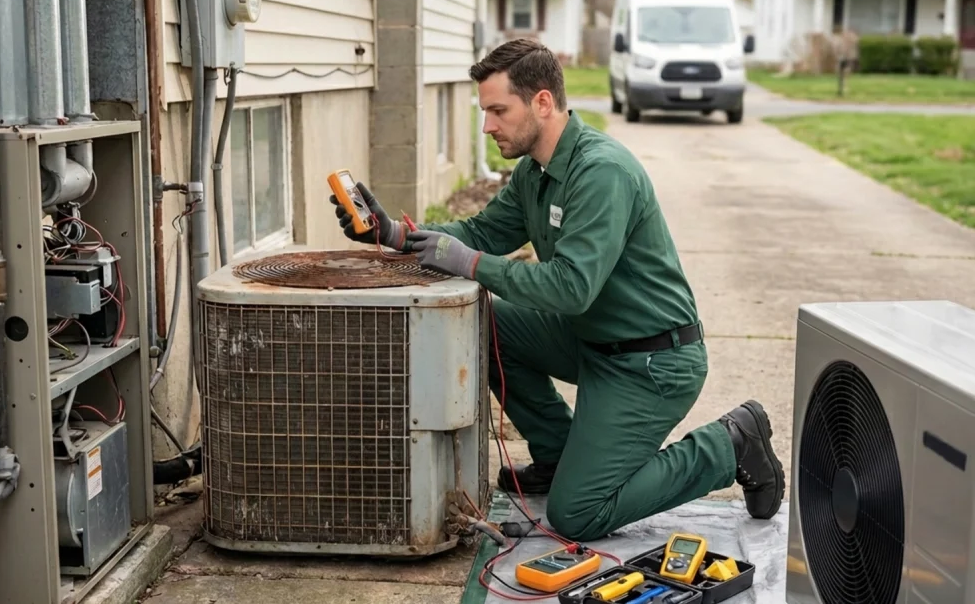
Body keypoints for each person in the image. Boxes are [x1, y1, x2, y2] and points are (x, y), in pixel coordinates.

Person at [330, 38, 784, 543]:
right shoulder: (536, 173)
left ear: (542, 103)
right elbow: (482, 234)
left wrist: (473, 266)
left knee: (577, 515)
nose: (488, 126)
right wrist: (391, 233)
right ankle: (557, 453)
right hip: (592, 341)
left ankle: (731, 445)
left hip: (651, 363)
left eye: (499, 111)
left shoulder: (601, 172)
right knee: (488, 322)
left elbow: (571, 288)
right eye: (486, 112)